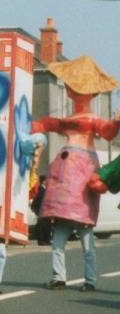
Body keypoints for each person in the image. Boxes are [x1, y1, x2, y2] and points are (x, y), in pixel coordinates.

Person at [31, 55, 119, 292]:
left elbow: (108, 132)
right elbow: (53, 124)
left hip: (80, 173)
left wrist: (116, 123)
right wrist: (39, 125)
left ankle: (88, 279)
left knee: (84, 235)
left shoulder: (92, 120)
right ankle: (61, 276)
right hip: (66, 174)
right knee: (64, 235)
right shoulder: (71, 119)